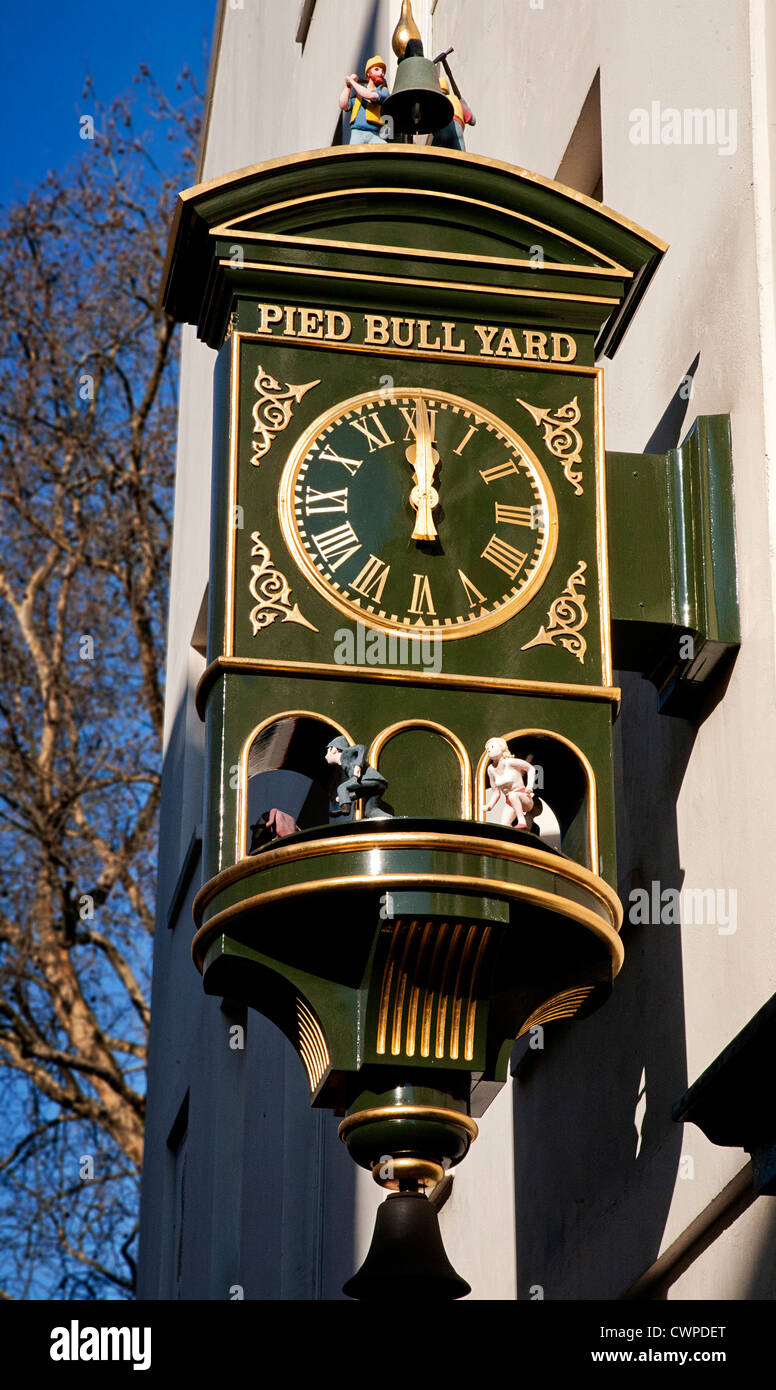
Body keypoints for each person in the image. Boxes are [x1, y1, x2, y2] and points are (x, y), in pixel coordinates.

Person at [325, 735, 388, 818]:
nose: (326, 756)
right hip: (376, 785)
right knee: (370, 812)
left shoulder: (346, 753)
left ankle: (345, 808)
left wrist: (358, 765)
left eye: (327, 752)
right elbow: (361, 791)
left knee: (341, 788)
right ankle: (393, 819)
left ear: (333, 750)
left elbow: (362, 748)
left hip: (370, 778)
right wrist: (345, 797)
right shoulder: (345, 765)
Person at [484, 737, 537, 831]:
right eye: (487, 748)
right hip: (510, 801)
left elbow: (530, 768)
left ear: (502, 748)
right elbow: (496, 792)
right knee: (504, 825)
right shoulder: (490, 769)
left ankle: (522, 821)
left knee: (512, 794)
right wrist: (490, 806)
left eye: (492, 746)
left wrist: (529, 786)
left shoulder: (510, 762)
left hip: (524, 797)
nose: (489, 749)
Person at [339, 56, 390, 145]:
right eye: (377, 69)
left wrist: (352, 81)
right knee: (354, 155)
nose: (381, 73)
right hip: (357, 133)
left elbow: (370, 95)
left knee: (385, 150)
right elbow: (343, 105)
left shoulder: (383, 91)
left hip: (375, 135)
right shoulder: (358, 96)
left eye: (382, 71)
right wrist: (348, 86)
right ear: (368, 73)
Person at [431, 73, 474, 151]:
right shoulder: (456, 100)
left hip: (441, 131)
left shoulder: (435, 101)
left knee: (434, 157)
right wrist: (462, 102)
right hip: (457, 134)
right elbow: (472, 121)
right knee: (461, 159)